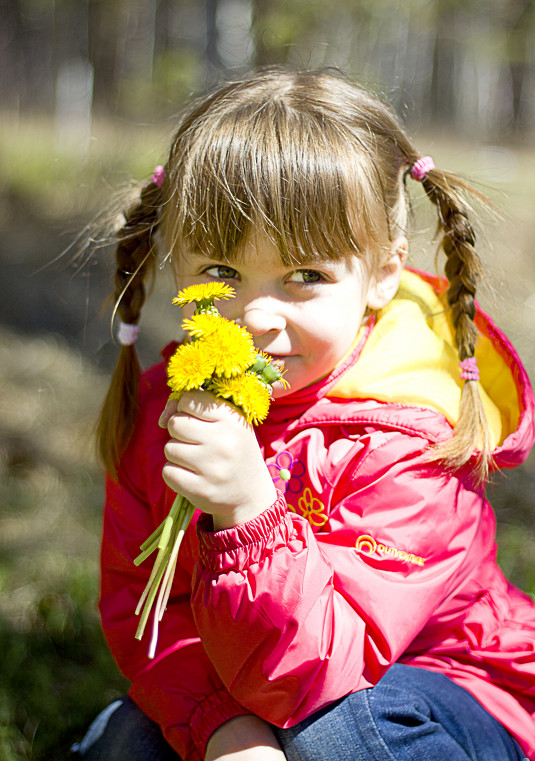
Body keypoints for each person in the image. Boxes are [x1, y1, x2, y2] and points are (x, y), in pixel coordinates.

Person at [72, 68, 535, 761]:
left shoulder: (409, 432)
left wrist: (248, 513)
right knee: (126, 738)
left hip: (445, 691)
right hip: (261, 690)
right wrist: (226, 728)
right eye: (220, 273)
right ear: (176, 265)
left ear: (382, 273)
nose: (256, 316)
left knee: (336, 732)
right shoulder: (167, 411)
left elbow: (330, 667)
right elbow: (146, 615)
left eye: (305, 276)